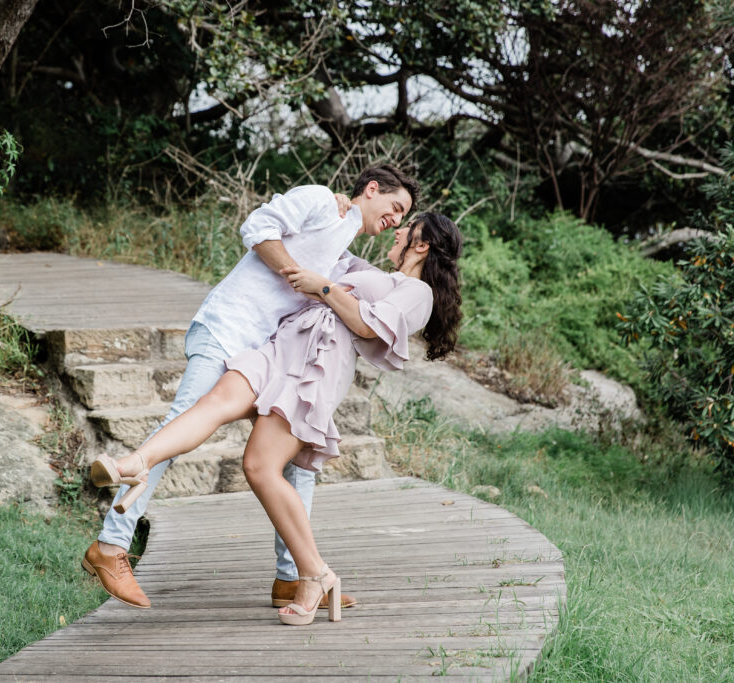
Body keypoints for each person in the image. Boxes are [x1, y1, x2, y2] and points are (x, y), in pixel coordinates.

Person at [91, 212, 463, 625]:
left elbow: (367, 325)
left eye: (405, 228)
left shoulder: (417, 292)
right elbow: (324, 246)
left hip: (314, 368)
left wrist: (322, 287)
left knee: (260, 467)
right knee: (217, 401)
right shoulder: (366, 270)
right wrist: (333, 209)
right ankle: (135, 464)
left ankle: (315, 574)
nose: (396, 231)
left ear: (422, 243)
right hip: (281, 344)